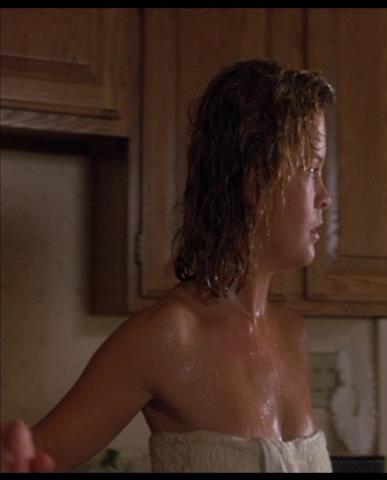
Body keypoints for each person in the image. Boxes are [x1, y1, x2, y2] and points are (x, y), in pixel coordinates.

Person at [0, 59, 335, 472]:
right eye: (312, 169)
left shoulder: (293, 333)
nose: (325, 196)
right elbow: (30, 460)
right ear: (256, 181)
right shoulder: (168, 337)